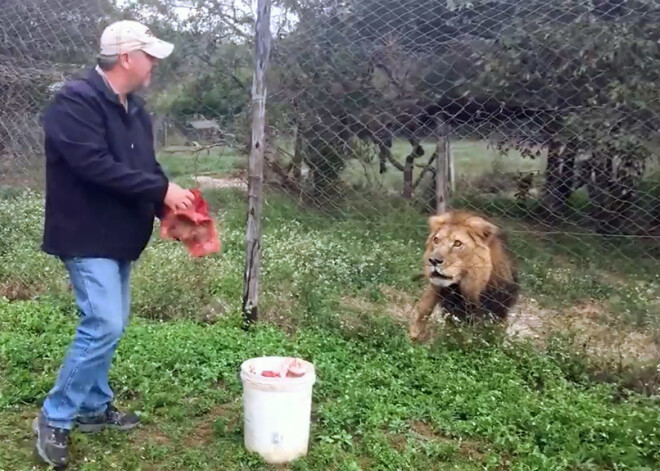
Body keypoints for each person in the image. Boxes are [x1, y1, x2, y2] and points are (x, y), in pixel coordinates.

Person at [33, 20, 194, 468]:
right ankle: (55, 416)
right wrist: (160, 192)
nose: (156, 64)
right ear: (127, 57)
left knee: (113, 320)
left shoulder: (135, 110)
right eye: (151, 56)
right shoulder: (74, 102)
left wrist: (170, 208)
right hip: (85, 233)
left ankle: (91, 406)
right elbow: (95, 166)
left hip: (120, 233)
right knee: (104, 323)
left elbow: (144, 167)